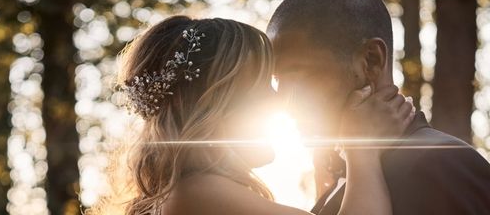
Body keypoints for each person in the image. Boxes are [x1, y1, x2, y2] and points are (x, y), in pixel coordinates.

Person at [90, 15, 414, 215]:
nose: (280, 102)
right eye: (263, 86)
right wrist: (363, 151)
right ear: (217, 104)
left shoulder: (184, 192)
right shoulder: (199, 193)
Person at [267, 0, 490, 215]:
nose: (283, 103)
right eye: (278, 80)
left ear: (371, 61)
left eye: (297, 75)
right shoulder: (349, 180)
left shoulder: (441, 165)